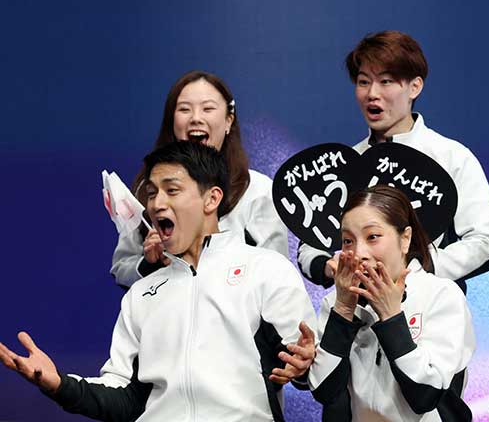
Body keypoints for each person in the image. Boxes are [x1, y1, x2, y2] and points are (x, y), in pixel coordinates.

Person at [0, 140, 317, 421]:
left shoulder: (266, 270)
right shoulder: (141, 295)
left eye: (172, 190)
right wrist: (59, 384)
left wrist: (305, 367)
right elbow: (124, 397)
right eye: (151, 193)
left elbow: (307, 368)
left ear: (212, 199)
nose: (156, 203)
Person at [298, 31, 489, 292]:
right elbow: (310, 245)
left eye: (386, 82)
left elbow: (486, 242)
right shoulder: (346, 164)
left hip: (431, 313)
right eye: (363, 82)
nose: (372, 93)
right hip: (357, 317)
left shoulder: (451, 156)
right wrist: (330, 266)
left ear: (414, 87)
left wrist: (417, 270)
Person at [309, 185, 474, 421]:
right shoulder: (338, 302)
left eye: (372, 237)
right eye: (348, 241)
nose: (359, 252)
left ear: (405, 238)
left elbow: (425, 395)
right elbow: (324, 390)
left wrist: (391, 316)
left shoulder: (442, 295)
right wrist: (343, 310)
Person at [111, 70, 288, 287]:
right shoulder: (149, 190)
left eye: (208, 108)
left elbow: (276, 273)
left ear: (228, 121)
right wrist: (150, 264)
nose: (196, 118)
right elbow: (121, 268)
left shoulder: (258, 191)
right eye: (184, 109)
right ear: (172, 122)